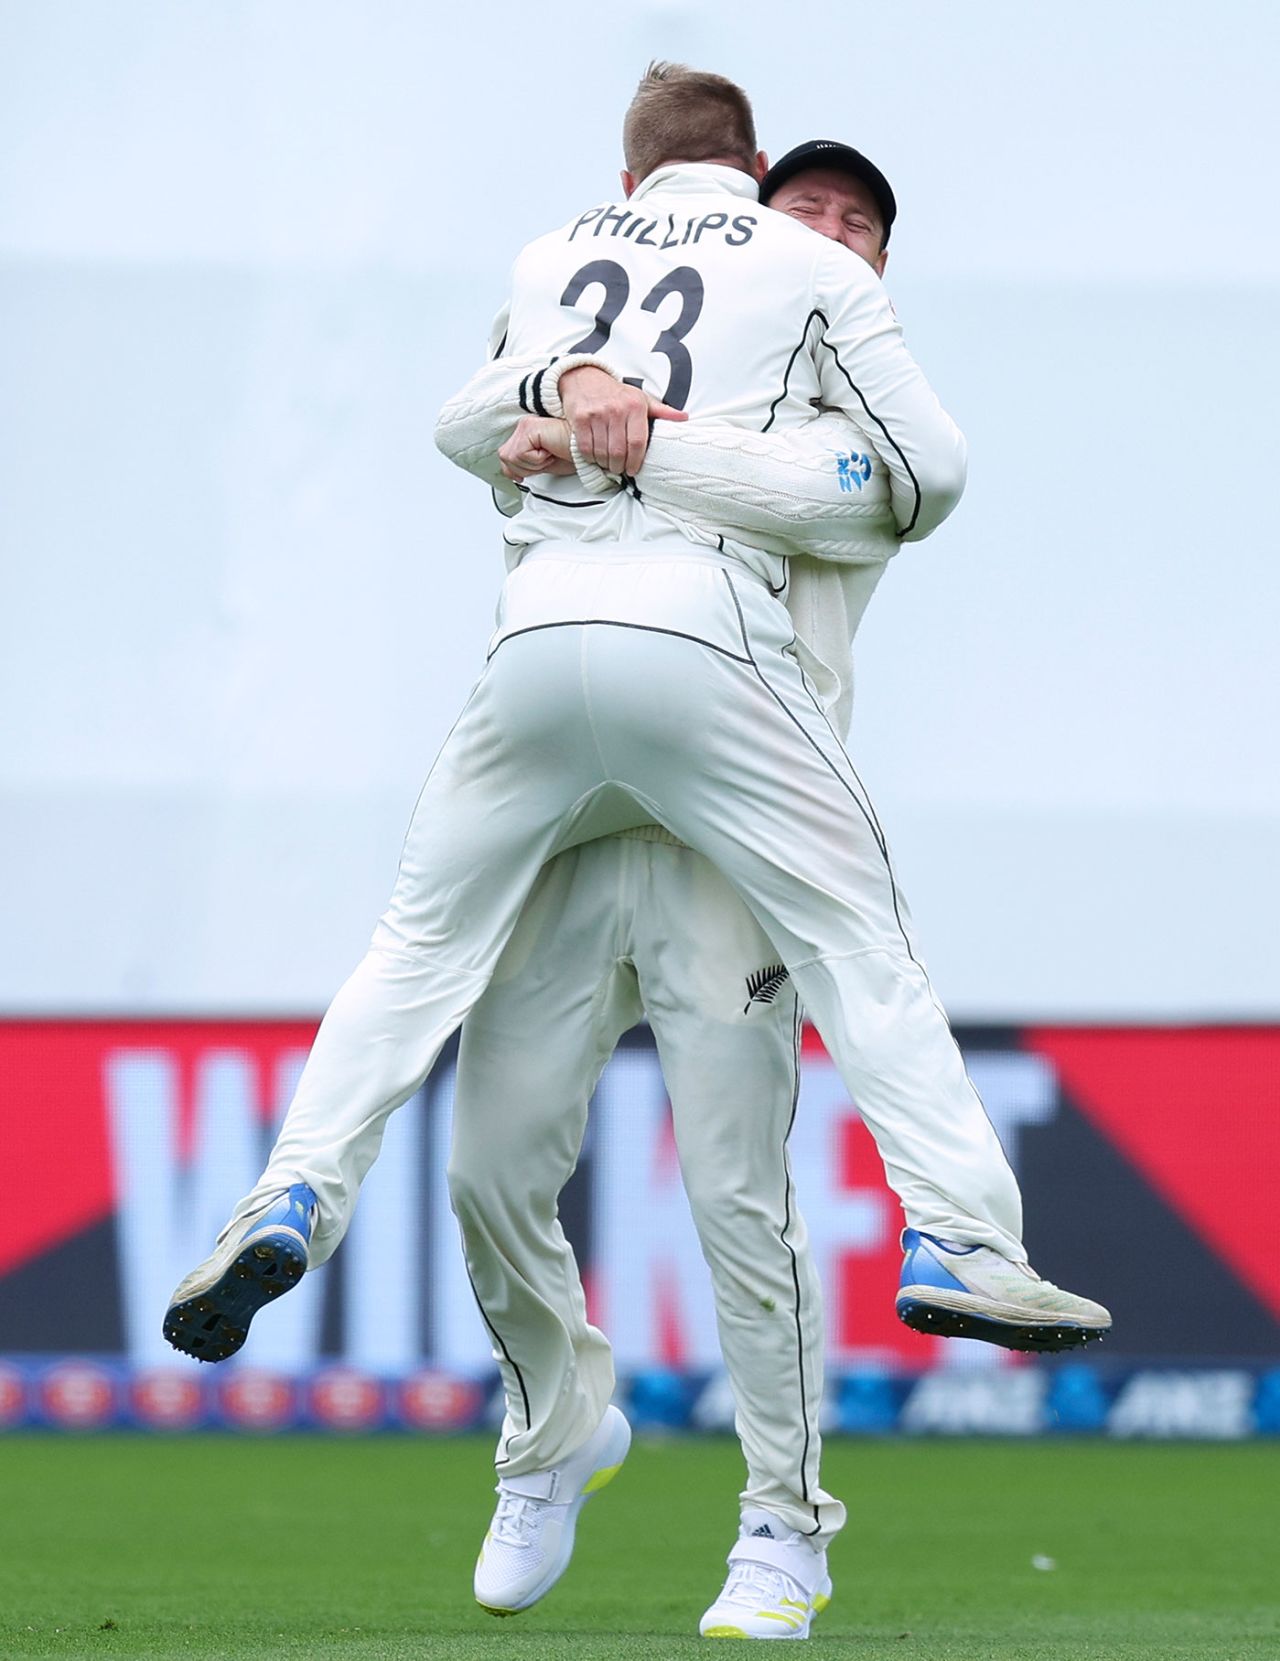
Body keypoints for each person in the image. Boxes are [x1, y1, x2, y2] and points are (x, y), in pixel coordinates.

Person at [164, 65, 1109, 1641]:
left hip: (727, 838)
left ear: (876, 270)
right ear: (748, 202)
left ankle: (783, 1528)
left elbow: (845, 495)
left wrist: (618, 431)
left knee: (741, 1194)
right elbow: (466, 418)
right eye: (805, 207)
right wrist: (562, 388)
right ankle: (551, 1431)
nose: (824, 233)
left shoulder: (841, 427)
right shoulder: (671, 315)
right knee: (487, 1165)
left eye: (858, 222)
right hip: (589, 797)